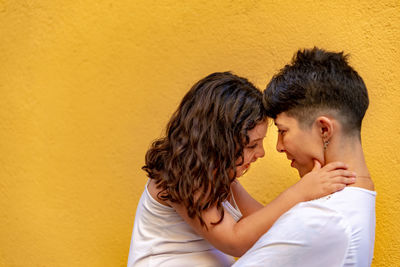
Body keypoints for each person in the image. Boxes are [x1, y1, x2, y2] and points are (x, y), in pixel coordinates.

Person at [127, 72, 356, 267]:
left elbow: (267, 223)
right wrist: (301, 192)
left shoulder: (225, 181)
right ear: (218, 141)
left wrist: (316, 207)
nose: (261, 154)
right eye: (251, 145)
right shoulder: (181, 177)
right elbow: (235, 241)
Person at [233, 47, 376, 267]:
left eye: (283, 131)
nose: (279, 147)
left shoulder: (320, 219)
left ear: (324, 130)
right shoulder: (359, 200)